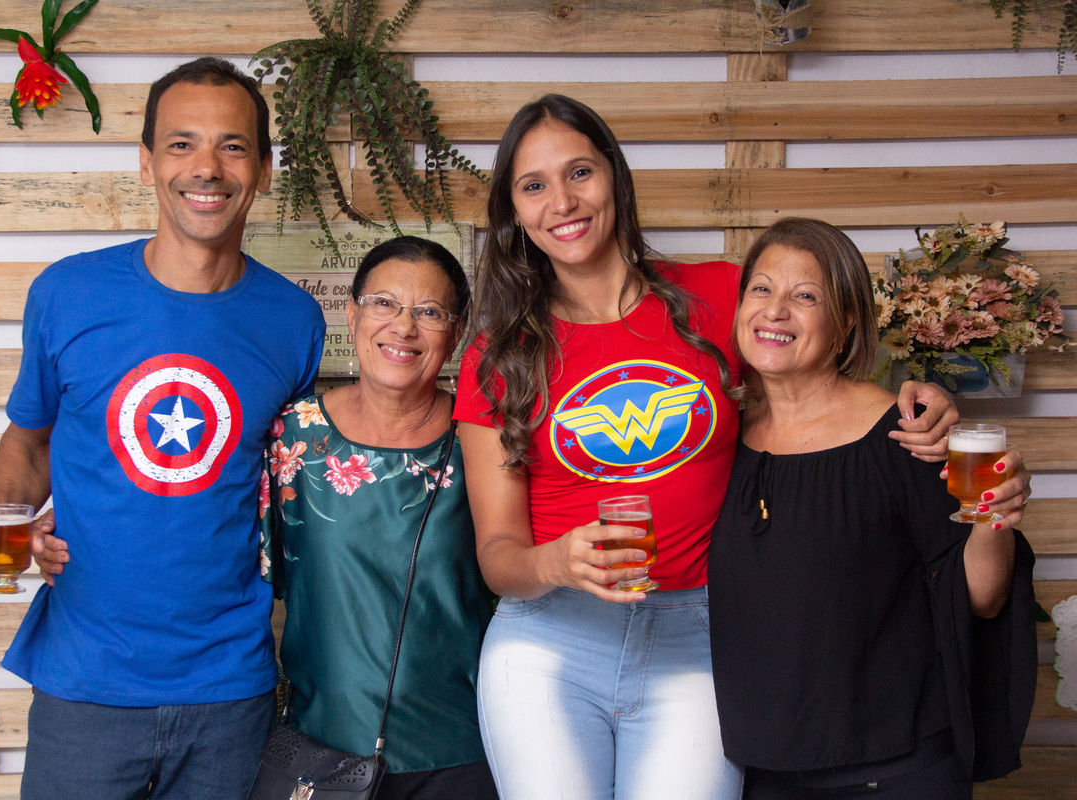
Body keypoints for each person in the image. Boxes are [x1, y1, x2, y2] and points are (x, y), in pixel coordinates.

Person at [452, 94, 961, 800]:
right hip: (550, 640)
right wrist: (554, 561)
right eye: (533, 185)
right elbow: (497, 556)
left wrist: (918, 400)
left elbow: (817, 393)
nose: (562, 202)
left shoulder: (721, 296)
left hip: (701, 633)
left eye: (580, 173)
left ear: (615, 177)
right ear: (513, 211)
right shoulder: (498, 355)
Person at [0, 58, 326, 800]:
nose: (206, 167)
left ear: (264, 169)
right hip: (84, 681)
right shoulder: (66, 292)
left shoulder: (295, 321)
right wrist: (4, 523)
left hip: (231, 686)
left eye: (233, 146)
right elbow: (29, 438)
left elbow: (293, 484)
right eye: (181, 144)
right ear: (147, 162)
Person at [707, 217, 1035, 799]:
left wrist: (993, 514)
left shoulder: (906, 434)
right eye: (761, 289)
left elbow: (982, 599)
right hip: (764, 771)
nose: (775, 310)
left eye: (805, 296)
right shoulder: (717, 437)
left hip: (896, 771)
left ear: (847, 323)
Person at [260, 236, 498, 800]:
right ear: (352, 313)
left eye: (429, 312)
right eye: (383, 303)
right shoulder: (292, 438)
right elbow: (230, 560)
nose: (403, 326)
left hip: (462, 753)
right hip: (319, 751)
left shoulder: (484, 440)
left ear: (457, 333)